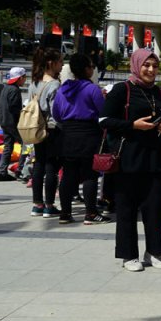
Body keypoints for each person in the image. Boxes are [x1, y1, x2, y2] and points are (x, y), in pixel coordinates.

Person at [100, 48, 161, 272]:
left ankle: (154, 251)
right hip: (128, 158)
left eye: (154, 66)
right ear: (136, 65)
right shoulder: (123, 90)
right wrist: (132, 125)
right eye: (146, 65)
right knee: (127, 208)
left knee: (155, 208)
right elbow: (103, 119)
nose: (150, 70)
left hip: (154, 157)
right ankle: (128, 254)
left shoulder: (159, 92)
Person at [52, 54, 108, 225]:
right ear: (86, 69)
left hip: (68, 133)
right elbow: (103, 112)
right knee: (90, 174)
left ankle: (65, 213)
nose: (92, 69)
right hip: (88, 133)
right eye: (91, 66)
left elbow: (56, 114)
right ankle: (91, 213)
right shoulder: (92, 89)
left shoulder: (63, 89)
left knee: (68, 174)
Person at [28, 48, 63, 217]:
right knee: (51, 168)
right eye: (60, 62)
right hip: (51, 130)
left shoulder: (34, 82)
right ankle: (49, 205)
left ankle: (37, 204)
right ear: (51, 63)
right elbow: (56, 112)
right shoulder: (54, 85)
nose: (62, 65)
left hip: (35, 129)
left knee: (38, 165)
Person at [0, 67, 26, 182]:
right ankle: (20, 170)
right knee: (26, 144)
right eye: (24, 78)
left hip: (4, 121)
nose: (24, 80)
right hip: (13, 123)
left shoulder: (6, 88)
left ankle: (2, 172)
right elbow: (14, 108)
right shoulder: (15, 90)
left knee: (8, 146)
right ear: (20, 78)